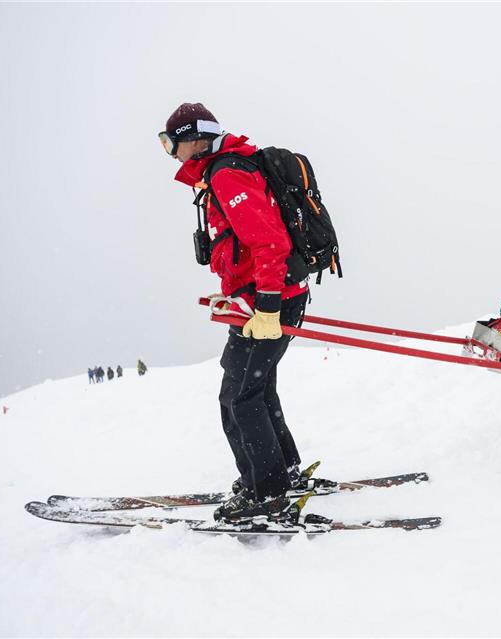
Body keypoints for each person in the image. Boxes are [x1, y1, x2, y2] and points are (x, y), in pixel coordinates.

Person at [159, 102, 309, 523]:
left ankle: (268, 496)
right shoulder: (226, 170)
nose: (171, 152)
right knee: (256, 389)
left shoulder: (227, 174)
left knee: (238, 398)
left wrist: (265, 305)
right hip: (271, 293)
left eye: (171, 142)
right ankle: (285, 473)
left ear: (194, 138)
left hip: (271, 297)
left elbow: (269, 243)